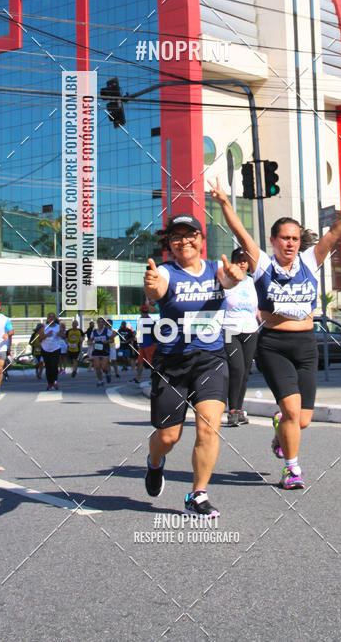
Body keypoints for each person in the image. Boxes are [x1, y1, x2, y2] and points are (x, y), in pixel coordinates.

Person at [209, 177, 341, 490]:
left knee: (303, 419)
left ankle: (281, 429)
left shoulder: (311, 260)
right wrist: (224, 202)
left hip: (306, 345)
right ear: (273, 240)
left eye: (295, 238)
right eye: (284, 238)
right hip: (274, 345)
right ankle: (291, 470)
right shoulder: (262, 265)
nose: (290, 243)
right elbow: (240, 232)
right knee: (293, 411)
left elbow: (336, 231)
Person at [143, 213, 244, 518]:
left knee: (209, 427)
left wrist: (233, 279)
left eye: (191, 235)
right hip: (172, 362)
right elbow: (156, 292)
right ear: (169, 244)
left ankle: (197, 495)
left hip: (210, 359)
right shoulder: (164, 272)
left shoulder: (216, 269)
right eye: (177, 237)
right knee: (168, 436)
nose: (184, 241)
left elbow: (227, 281)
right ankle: (154, 463)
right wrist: (151, 288)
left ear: (201, 240)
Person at [222, 247, 260, 427]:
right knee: (236, 368)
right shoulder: (226, 281)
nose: (242, 263)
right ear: (233, 262)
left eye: (245, 260)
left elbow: (258, 309)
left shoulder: (253, 282)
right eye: (239, 260)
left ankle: (238, 410)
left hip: (250, 330)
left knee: (245, 372)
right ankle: (231, 411)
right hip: (230, 330)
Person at [40, 312, 65, 390]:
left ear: (55, 319)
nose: (51, 319)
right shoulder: (44, 327)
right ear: (47, 319)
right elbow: (40, 338)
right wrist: (47, 335)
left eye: (52, 317)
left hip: (55, 348)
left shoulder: (58, 327)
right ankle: (49, 382)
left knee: (54, 366)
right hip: (46, 349)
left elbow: (64, 336)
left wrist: (59, 334)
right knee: (48, 366)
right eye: (49, 317)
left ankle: (55, 381)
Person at [134, 305, 156, 383]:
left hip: (149, 344)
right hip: (144, 344)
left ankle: (154, 377)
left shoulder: (147, 320)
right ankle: (137, 377)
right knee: (141, 361)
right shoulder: (146, 320)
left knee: (149, 362)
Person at [90, 317, 112, 387]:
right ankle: (100, 380)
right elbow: (90, 340)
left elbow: (112, 340)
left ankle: (107, 373)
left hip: (105, 350)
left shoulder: (106, 331)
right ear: (97, 323)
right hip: (96, 350)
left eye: (102, 322)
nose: (100, 323)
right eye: (99, 322)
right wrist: (91, 343)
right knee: (97, 367)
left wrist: (107, 341)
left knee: (103, 366)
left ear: (104, 323)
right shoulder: (94, 332)